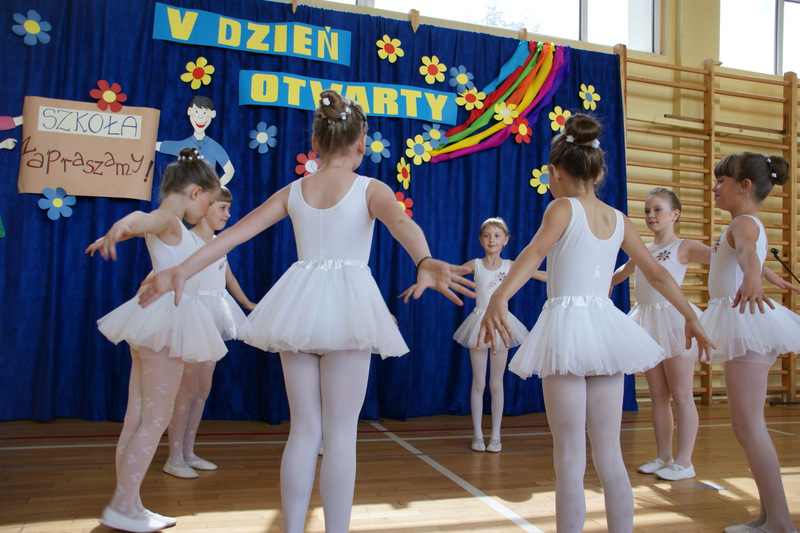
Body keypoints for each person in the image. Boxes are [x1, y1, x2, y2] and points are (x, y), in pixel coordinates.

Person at [138, 89, 475, 533]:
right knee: (341, 434)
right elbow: (401, 222)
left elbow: (234, 235)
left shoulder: (294, 190)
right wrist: (424, 259)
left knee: (303, 430)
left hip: (298, 309)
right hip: (348, 312)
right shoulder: (371, 188)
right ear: (361, 143)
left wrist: (181, 269)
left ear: (315, 143)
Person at [478, 114, 713, 533]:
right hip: (605, 332)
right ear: (600, 172)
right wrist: (691, 316)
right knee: (609, 454)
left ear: (555, 172)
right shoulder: (619, 218)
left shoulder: (561, 207)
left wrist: (499, 296)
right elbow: (658, 275)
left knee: (569, 456)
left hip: (567, 330)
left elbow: (532, 253)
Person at [610, 187, 798, 482]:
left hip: (675, 323)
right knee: (658, 395)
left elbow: (729, 255)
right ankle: (664, 456)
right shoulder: (642, 250)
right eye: (647, 211)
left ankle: (684, 461)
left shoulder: (684, 246)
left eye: (658, 209)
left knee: (681, 394)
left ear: (675, 214)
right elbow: (619, 274)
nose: (651, 215)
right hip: (646, 322)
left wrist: (765, 272)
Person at [86, 147, 223, 533]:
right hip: (167, 328)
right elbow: (143, 219)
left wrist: (123, 237)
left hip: (153, 324)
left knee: (137, 419)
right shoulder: (169, 220)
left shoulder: (177, 229)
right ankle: (122, 505)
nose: (205, 211)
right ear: (195, 192)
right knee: (155, 420)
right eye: (208, 202)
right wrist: (120, 228)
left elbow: (165, 259)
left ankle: (129, 502)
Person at [703, 152, 799, 533]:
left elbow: (746, 253)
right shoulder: (744, 222)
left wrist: (755, 277)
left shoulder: (743, 223)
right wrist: (764, 274)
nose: (714, 187)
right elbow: (744, 253)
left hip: (747, 321)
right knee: (747, 425)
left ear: (744, 186)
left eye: (721, 181)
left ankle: (780, 522)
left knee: (748, 426)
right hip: (745, 320)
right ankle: (767, 517)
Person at [402, 218, 535, 453]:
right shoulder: (475, 265)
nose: (491, 240)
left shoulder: (510, 265)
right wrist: (425, 283)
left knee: (496, 384)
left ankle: (496, 436)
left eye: (496, 236)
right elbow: (450, 277)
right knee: (479, 382)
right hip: (479, 325)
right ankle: (478, 435)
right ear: (480, 239)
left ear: (505, 240)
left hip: (501, 324)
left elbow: (535, 272)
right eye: (487, 236)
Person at [163, 186, 257, 479]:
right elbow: (169, 271)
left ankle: (188, 452)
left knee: (202, 389)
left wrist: (247, 303)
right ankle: (174, 457)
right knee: (187, 389)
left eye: (229, 209)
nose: (228, 215)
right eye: (222, 208)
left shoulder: (220, 243)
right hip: (193, 316)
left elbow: (228, 276)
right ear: (204, 207)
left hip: (213, 316)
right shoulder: (186, 240)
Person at [157, 95, 235, 185]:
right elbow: (161, 146)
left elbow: (230, 170)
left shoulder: (214, 146)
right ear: (189, 111)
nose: (200, 117)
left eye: (204, 113)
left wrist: (214, 187)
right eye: (197, 112)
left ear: (212, 114)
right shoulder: (184, 145)